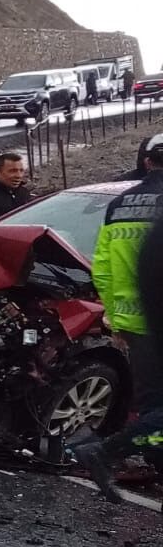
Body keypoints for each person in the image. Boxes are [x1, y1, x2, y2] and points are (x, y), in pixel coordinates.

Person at [70, 145, 163, 496]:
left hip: (134, 322)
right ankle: (106, 450)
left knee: (155, 408)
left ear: (147, 162)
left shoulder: (119, 205)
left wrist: (116, 316)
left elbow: (104, 268)